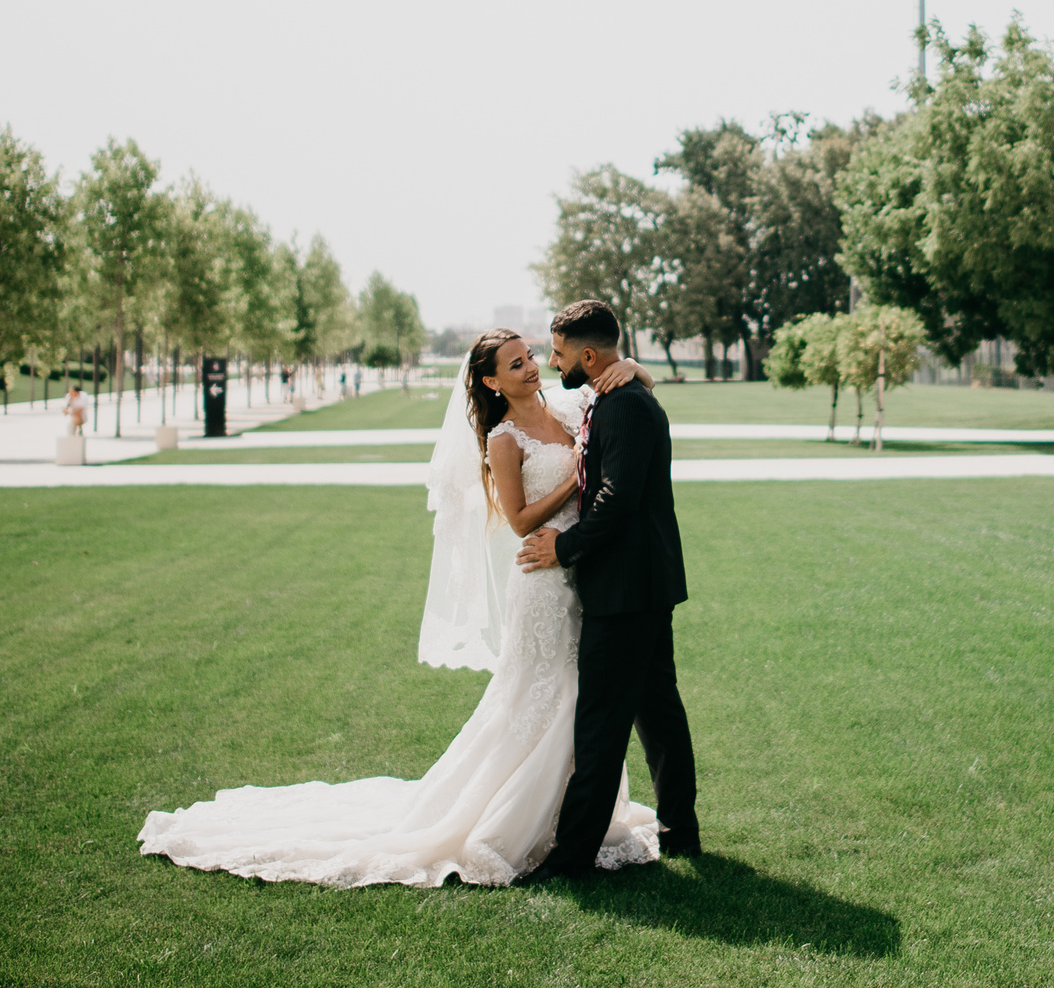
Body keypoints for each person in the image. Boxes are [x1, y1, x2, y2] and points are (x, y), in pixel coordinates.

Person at [138, 324, 662, 886]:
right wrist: (578, 477)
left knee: (581, 696)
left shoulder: (565, 405)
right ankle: (521, 824)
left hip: (583, 574)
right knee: (549, 694)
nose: (531, 367)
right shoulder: (504, 439)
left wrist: (633, 367)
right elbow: (518, 520)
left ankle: (577, 821)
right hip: (540, 575)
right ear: (491, 381)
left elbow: (632, 388)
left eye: (530, 356)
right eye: (514, 365)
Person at [517, 298, 700, 877]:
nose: (551, 361)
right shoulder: (614, 394)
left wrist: (562, 548)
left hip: (625, 589)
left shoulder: (623, 407)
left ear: (589, 355)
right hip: (645, 583)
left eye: (558, 352)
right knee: (658, 711)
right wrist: (641, 369)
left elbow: (615, 500)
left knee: (600, 723)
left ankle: (571, 856)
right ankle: (680, 830)